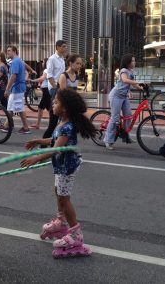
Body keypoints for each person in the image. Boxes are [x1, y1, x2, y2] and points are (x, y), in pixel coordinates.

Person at [21, 88, 96, 257]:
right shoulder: (61, 122)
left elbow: (56, 149)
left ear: (65, 108)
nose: (52, 104)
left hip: (66, 167)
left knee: (64, 198)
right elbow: (54, 140)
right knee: (58, 191)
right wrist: (39, 140)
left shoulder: (67, 127)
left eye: (56, 102)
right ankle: (61, 222)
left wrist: (36, 159)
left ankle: (76, 235)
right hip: (61, 165)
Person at [104, 53, 143, 150]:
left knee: (128, 116)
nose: (134, 62)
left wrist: (142, 88)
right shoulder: (124, 70)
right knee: (115, 118)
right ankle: (108, 140)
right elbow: (125, 80)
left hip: (124, 96)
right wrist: (137, 82)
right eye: (133, 61)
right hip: (116, 96)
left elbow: (133, 85)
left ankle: (126, 136)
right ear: (128, 62)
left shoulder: (131, 71)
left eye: (134, 60)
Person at [43, 40, 67, 139]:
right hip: (55, 90)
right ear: (57, 47)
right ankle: (44, 144)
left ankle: (56, 140)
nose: (65, 48)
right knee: (54, 119)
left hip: (61, 88)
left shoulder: (62, 59)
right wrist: (55, 87)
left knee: (61, 117)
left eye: (66, 46)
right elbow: (49, 75)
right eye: (64, 46)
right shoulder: (52, 59)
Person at [4, 45, 31, 134]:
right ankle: (6, 126)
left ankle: (25, 128)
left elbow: (13, 76)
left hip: (17, 88)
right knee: (12, 108)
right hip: (17, 88)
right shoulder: (18, 61)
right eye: (7, 51)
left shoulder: (15, 61)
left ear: (14, 51)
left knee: (17, 108)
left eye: (9, 50)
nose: (7, 52)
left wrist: (7, 89)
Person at [30, 58, 50, 129]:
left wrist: (32, 80)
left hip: (46, 91)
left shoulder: (46, 70)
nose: (42, 63)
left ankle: (53, 124)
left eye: (43, 62)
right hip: (47, 90)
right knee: (41, 107)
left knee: (49, 108)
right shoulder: (50, 70)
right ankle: (38, 124)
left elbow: (42, 78)